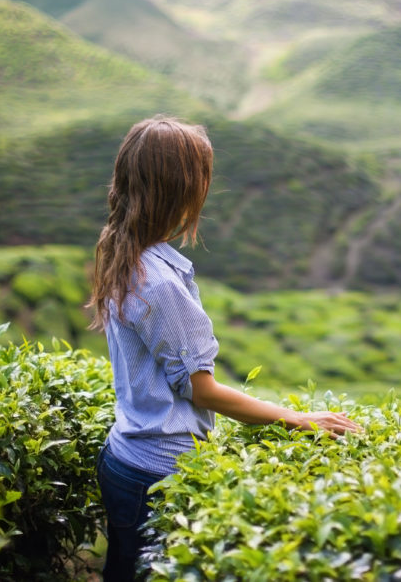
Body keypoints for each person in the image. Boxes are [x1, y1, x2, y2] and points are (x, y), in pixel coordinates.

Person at [86, 116, 361, 581]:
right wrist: (299, 418)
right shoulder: (157, 283)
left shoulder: (123, 247)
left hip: (125, 459)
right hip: (153, 471)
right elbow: (203, 391)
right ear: (179, 189)